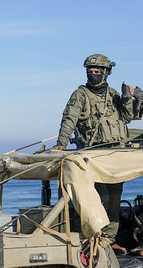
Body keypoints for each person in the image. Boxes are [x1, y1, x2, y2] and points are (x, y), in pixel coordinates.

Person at [52, 54, 136, 240]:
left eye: (97, 72)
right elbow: (69, 119)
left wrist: (127, 98)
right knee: (101, 198)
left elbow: (127, 118)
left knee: (114, 200)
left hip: (115, 153)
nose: (93, 75)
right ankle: (96, 236)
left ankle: (109, 239)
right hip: (93, 154)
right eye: (89, 72)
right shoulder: (80, 94)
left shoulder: (113, 94)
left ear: (106, 73)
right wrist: (61, 144)